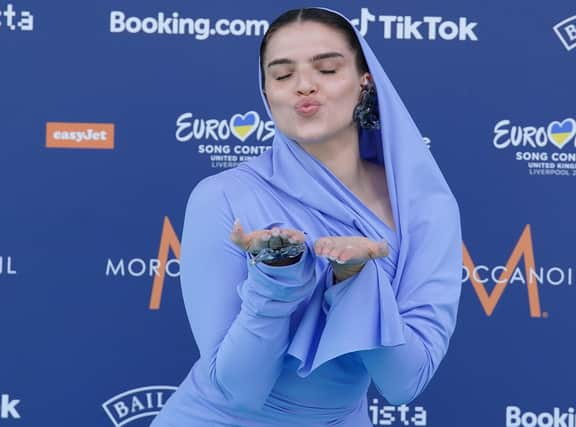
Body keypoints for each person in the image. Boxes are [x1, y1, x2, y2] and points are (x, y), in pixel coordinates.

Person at [151, 7, 461, 427]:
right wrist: (276, 275)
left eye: (328, 69)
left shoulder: (425, 207)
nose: (304, 86)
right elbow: (239, 391)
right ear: (266, 92)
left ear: (364, 83)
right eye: (282, 75)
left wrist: (356, 279)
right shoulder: (221, 198)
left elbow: (405, 382)